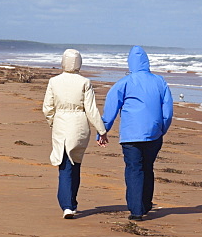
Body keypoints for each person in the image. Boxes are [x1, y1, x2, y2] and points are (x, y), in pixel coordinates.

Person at [101, 46, 173, 221]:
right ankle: (145, 204)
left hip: (131, 135)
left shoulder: (124, 82)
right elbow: (168, 111)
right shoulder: (159, 81)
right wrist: (162, 128)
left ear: (130, 62)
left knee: (134, 169)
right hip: (154, 133)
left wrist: (102, 130)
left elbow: (111, 108)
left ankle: (136, 210)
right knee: (147, 168)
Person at [42, 49, 107, 219]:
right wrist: (102, 130)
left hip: (61, 124)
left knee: (64, 165)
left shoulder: (54, 82)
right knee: (75, 164)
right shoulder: (84, 82)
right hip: (79, 125)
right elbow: (91, 110)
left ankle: (67, 205)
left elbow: (47, 108)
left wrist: (53, 123)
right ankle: (72, 202)